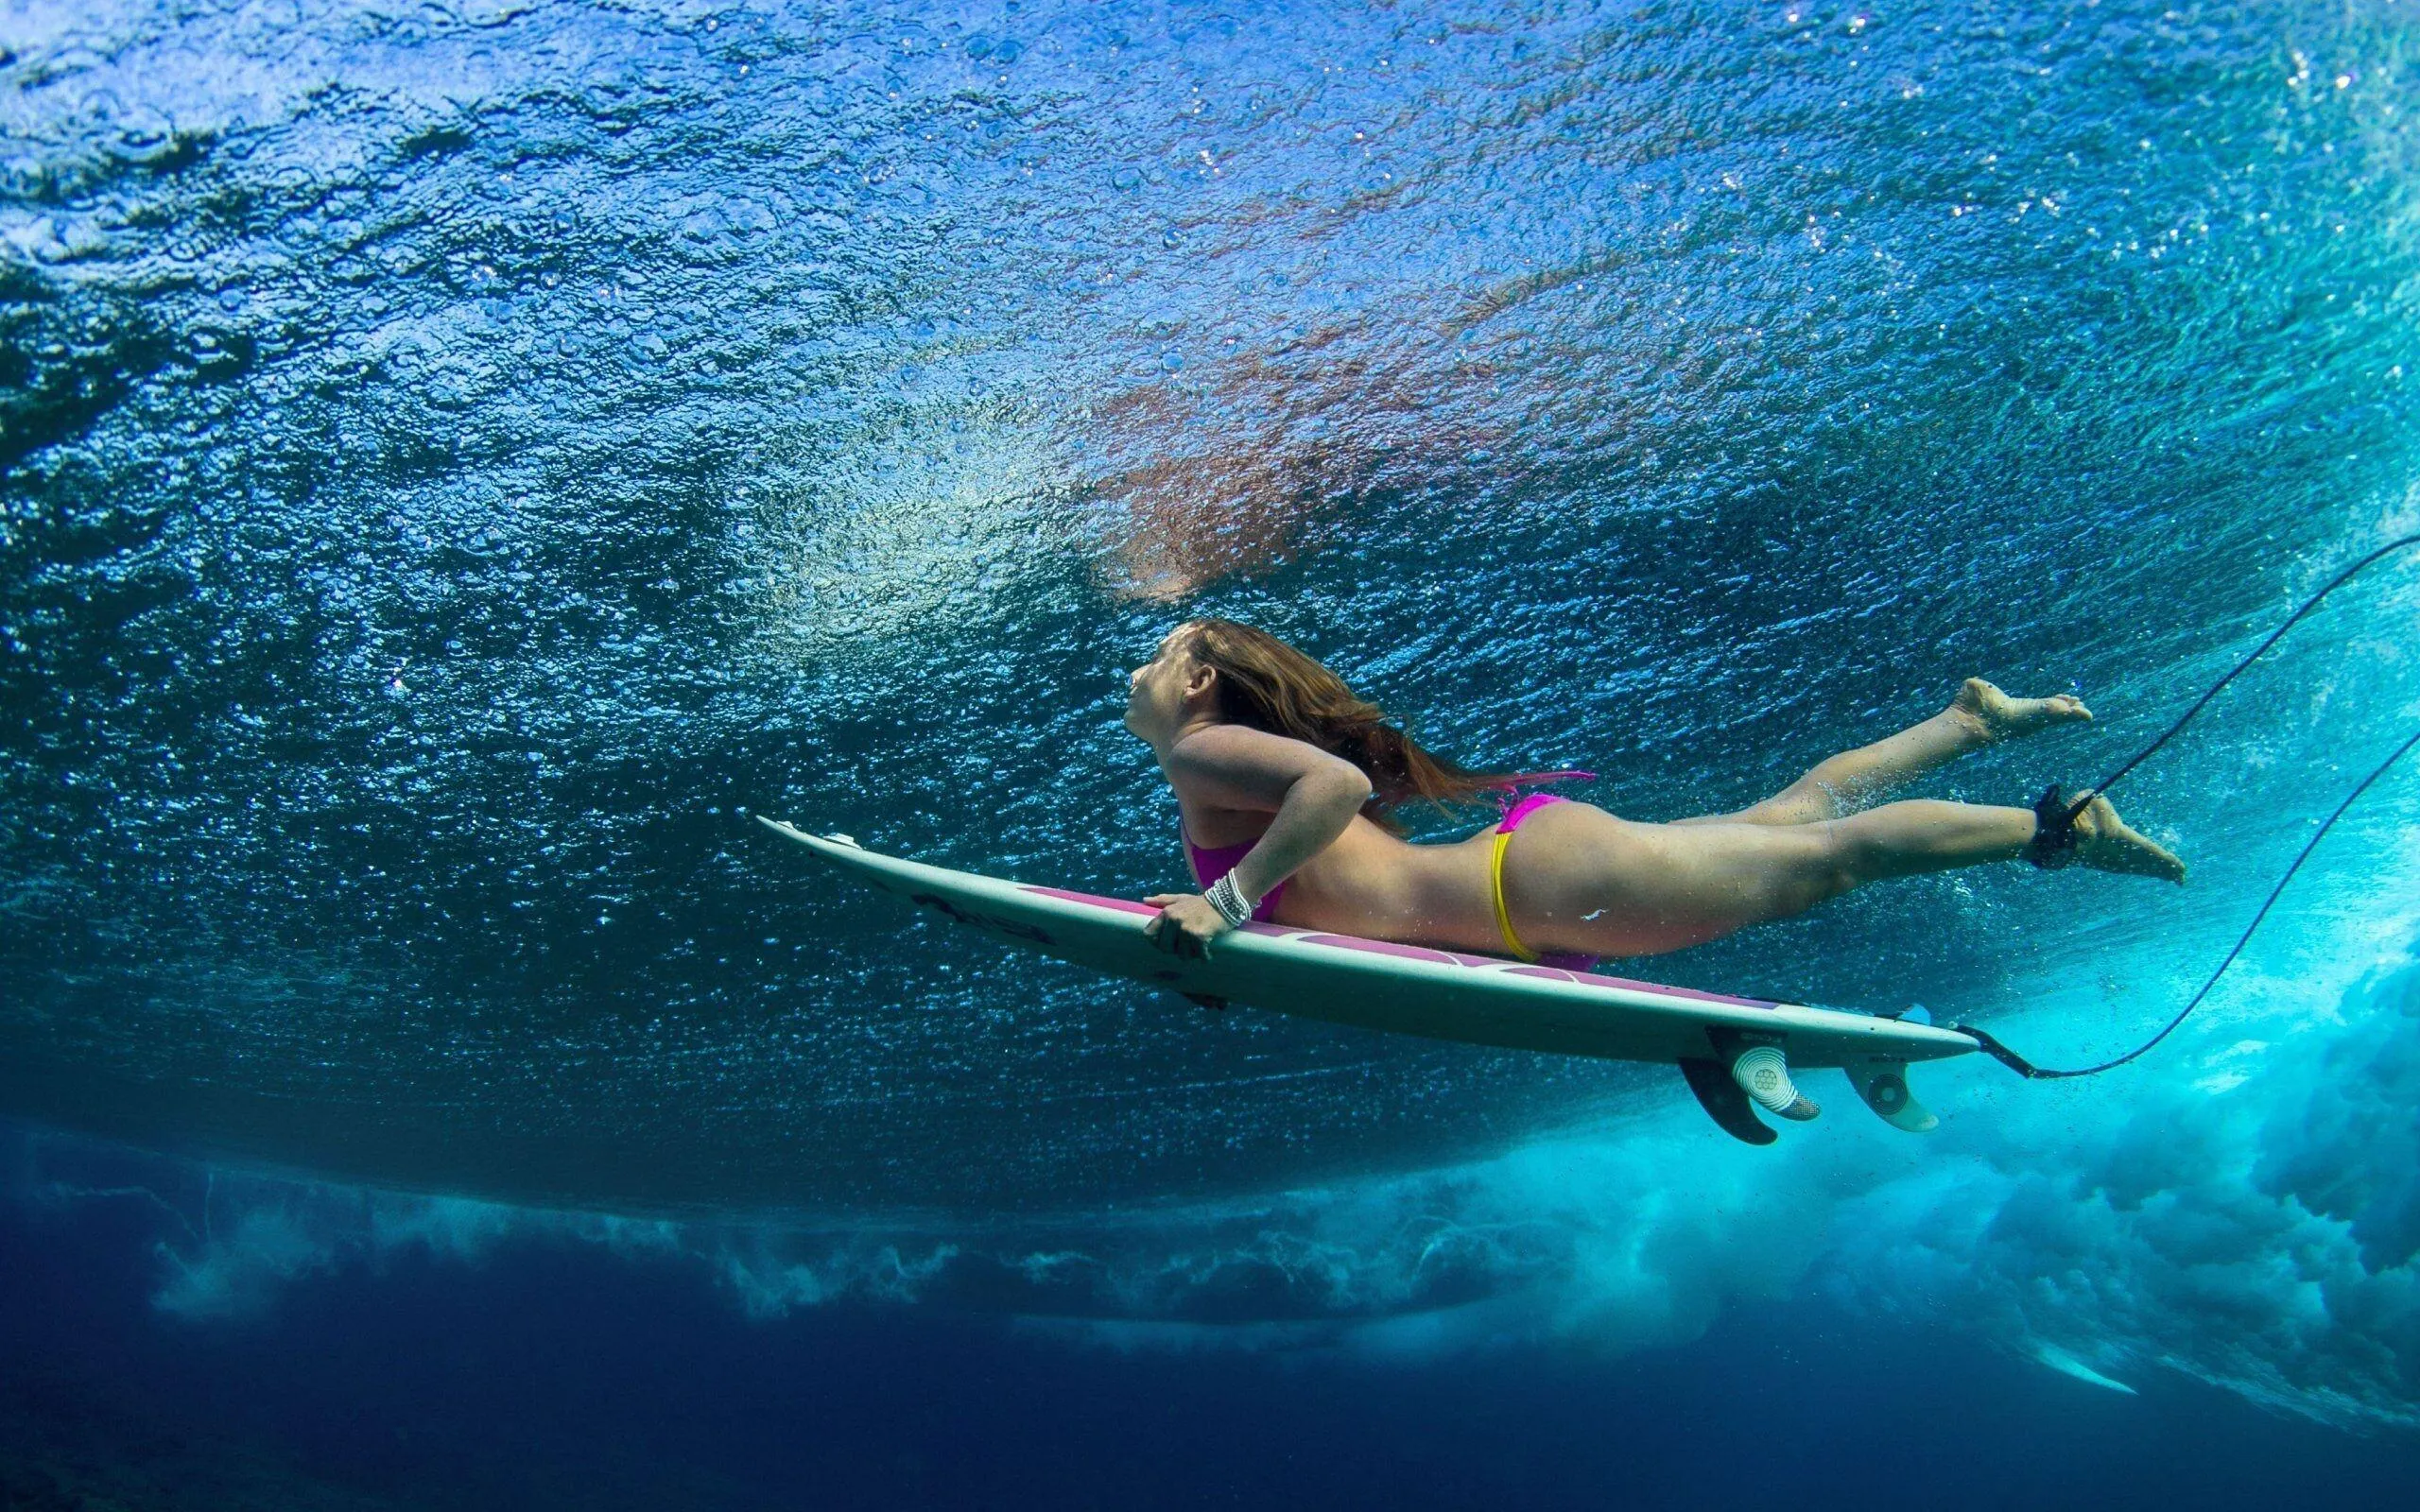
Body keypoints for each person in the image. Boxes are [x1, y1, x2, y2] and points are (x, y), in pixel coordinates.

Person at [1127, 619, 2186, 964]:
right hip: (1529, 879)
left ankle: (2061, 824)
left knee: (1834, 856)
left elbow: (1337, 782)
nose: (1135, 673)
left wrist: (1221, 908)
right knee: (1790, 821)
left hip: (1532, 894)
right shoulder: (1215, 760)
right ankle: (1968, 722)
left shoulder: (1197, 751)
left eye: (1155, 653)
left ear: (1199, 682)